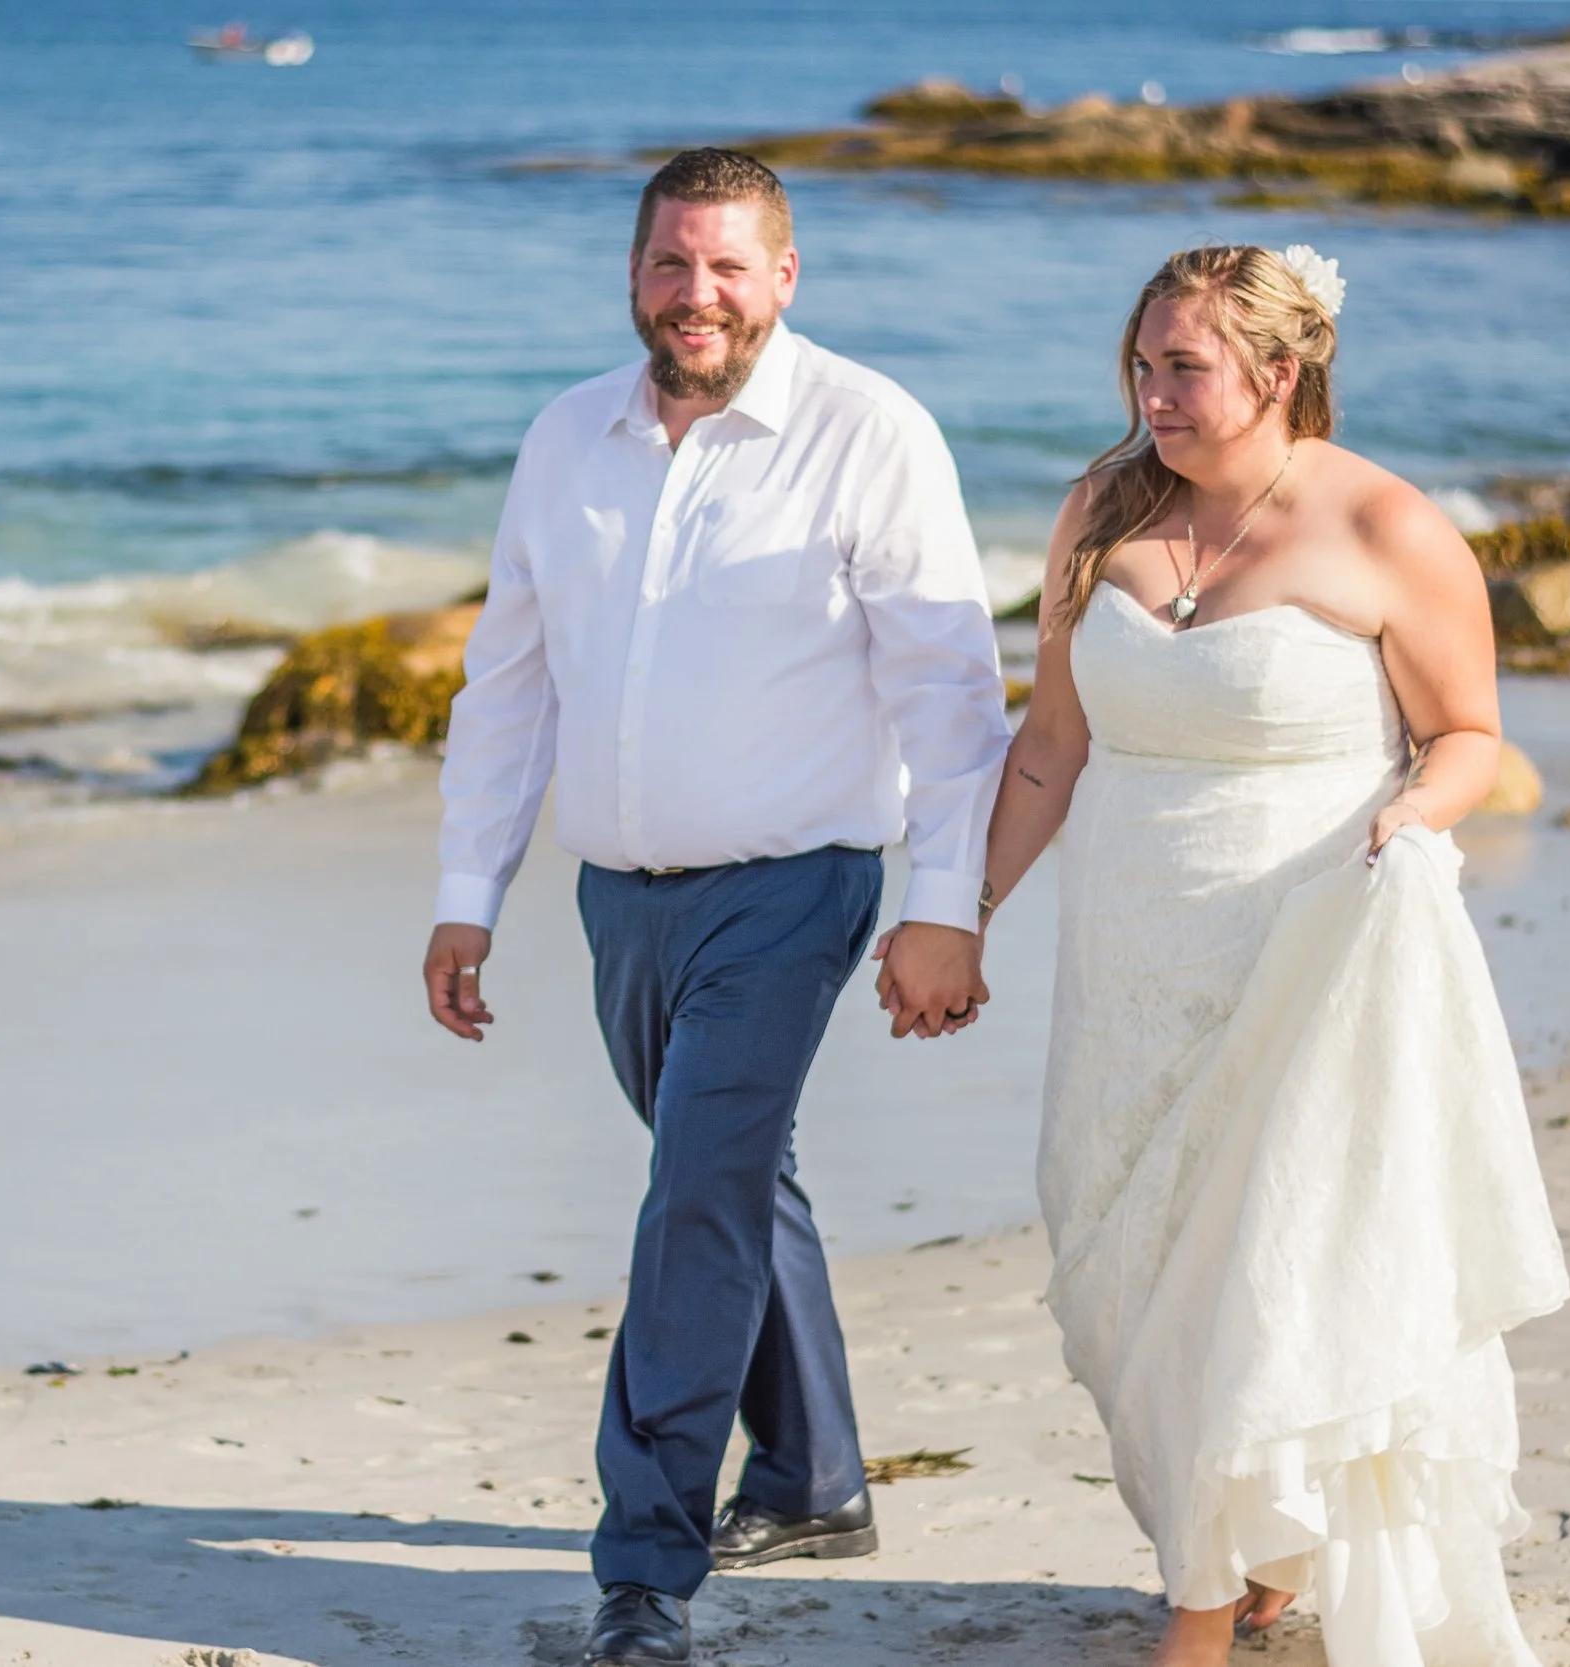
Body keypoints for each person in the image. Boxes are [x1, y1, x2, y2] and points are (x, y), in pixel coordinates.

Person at [932, 244, 1569, 1666]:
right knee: (1130, 1267)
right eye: (1141, 363)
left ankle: (1203, 1612)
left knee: (1269, 1266)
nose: (1153, 393)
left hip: (1308, 946)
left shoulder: (1388, 527)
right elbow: (1052, 742)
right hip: (1131, 956)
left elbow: (1472, 733)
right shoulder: (1103, 506)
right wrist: (961, 910)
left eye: (1185, 367)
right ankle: (1264, 1546)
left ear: (1281, 374)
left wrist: (1414, 812)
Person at [420, 148, 1010, 1666]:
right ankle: (812, 1475)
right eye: (674, 264)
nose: (699, 296)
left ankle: (643, 1564)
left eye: (731, 267)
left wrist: (947, 905)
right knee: (734, 1175)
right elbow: (508, 683)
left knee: (694, 1195)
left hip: (797, 887)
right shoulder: (566, 440)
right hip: (619, 901)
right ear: (634, 270)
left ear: (786, 276)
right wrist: (464, 891)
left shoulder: (868, 431)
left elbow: (950, 696)